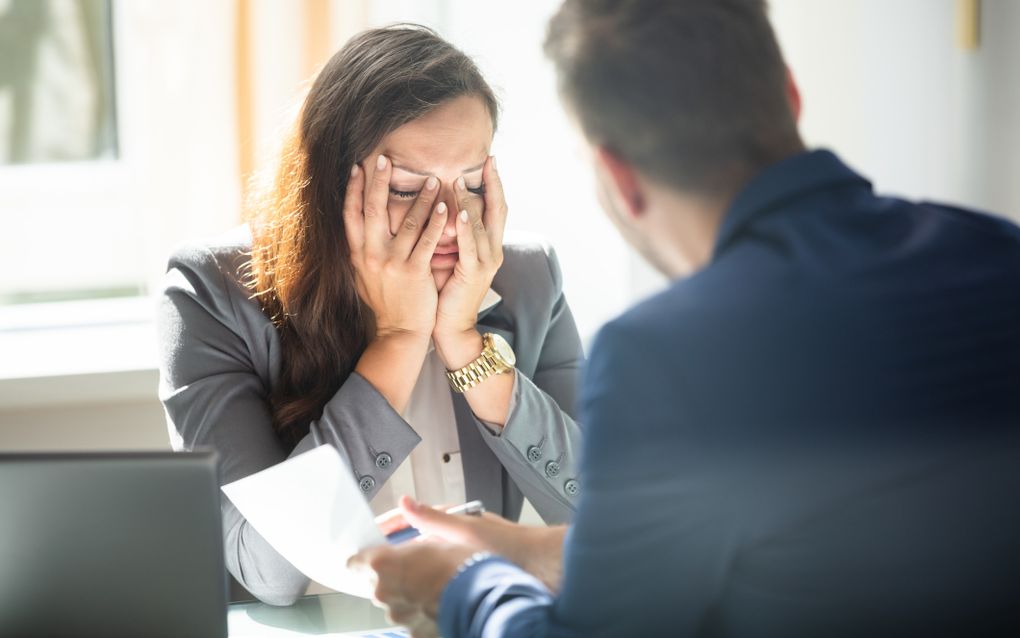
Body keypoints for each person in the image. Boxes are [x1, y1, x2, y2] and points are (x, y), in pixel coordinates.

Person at [349, 1, 1020, 636]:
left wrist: (466, 585)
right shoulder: (1000, 253)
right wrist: (543, 553)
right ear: (789, 94)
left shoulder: (663, 355)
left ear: (619, 177)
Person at [156, 26, 585, 606]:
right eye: (408, 190)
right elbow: (268, 572)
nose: (451, 219)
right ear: (330, 187)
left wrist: (465, 345)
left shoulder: (529, 279)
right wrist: (399, 340)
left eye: (472, 183)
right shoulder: (210, 293)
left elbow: (606, 523)